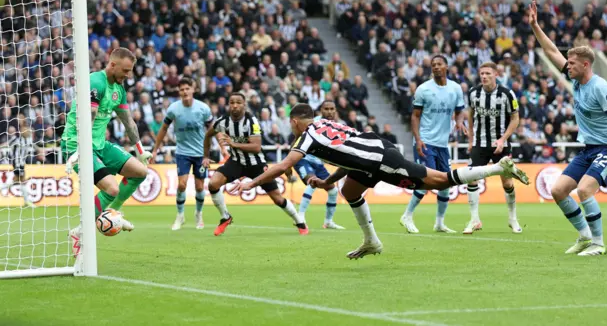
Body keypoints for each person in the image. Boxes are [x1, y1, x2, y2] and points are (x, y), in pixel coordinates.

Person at [230, 104, 529, 259]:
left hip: (379, 159)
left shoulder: (306, 135)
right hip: (372, 153)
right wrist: (325, 183)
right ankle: (371, 241)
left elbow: (283, 165)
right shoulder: (324, 123)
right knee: (350, 190)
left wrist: (251, 182)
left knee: (437, 181)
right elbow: (348, 158)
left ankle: (496, 169)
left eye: (291, 123)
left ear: (296, 122)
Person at [530, 0, 607, 256]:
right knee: (558, 190)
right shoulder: (576, 79)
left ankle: (599, 244)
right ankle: (585, 236)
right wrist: (535, 27)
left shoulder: (600, 87)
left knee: (584, 190)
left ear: (585, 65)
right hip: (588, 149)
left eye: (572, 63)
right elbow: (553, 53)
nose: (567, 65)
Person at [63, 48, 152, 257]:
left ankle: (114, 212)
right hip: (77, 143)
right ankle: (81, 233)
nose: (128, 75)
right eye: (126, 70)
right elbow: (90, 115)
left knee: (140, 172)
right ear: (112, 65)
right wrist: (80, 150)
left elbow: (128, 122)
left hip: (100, 144)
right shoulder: (96, 81)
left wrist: (140, 151)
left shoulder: (118, 89)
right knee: (111, 188)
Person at [203, 93, 308, 236]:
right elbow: (208, 135)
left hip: (257, 164)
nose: (235, 105)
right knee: (213, 184)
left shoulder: (251, 121)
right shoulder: (222, 121)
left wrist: (233, 143)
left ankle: (300, 222)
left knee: (277, 198)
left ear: (244, 105)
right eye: (232, 102)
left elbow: (257, 147)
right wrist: (206, 156)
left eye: (238, 102)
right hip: (236, 162)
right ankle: (225, 217)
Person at [400, 55, 466, 234]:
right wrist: (418, 140)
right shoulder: (424, 89)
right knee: (427, 181)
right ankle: (407, 215)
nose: (436, 67)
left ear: (446, 66)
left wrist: (459, 122)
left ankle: (439, 223)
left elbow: (460, 111)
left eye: (439, 64)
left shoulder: (455, 89)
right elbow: (414, 116)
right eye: (433, 65)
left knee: (446, 183)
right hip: (425, 142)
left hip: (442, 145)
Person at [464, 62, 522, 234]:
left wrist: (503, 139)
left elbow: (515, 118)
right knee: (471, 178)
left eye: (488, 73)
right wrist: (471, 139)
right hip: (480, 143)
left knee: (507, 181)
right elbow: (470, 114)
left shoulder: (507, 94)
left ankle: (513, 218)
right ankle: (474, 220)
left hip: (501, 144)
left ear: (496, 74)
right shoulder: (473, 93)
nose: (484, 76)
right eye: (482, 73)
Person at [151, 77, 214, 231]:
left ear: (193, 89)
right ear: (179, 92)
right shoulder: (173, 109)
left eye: (187, 88)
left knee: (200, 187)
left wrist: (220, 148)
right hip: (183, 152)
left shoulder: (203, 108)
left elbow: (213, 129)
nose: (185, 92)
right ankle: (180, 215)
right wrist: (155, 149)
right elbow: (164, 129)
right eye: (182, 89)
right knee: (182, 184)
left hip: (200, 153)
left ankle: (198, 214)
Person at [290, 100, 344, 229]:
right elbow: (297, 138)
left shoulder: (337, 125)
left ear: (336, 110)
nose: (329, 112)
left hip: (318, 162)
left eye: (332, 109)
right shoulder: (313, 122)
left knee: (333, 191)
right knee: (312, 182)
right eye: (326, 109)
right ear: (321, 110)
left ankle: (328, 222)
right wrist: (292, 156)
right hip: (303, 158)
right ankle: (300, 216)